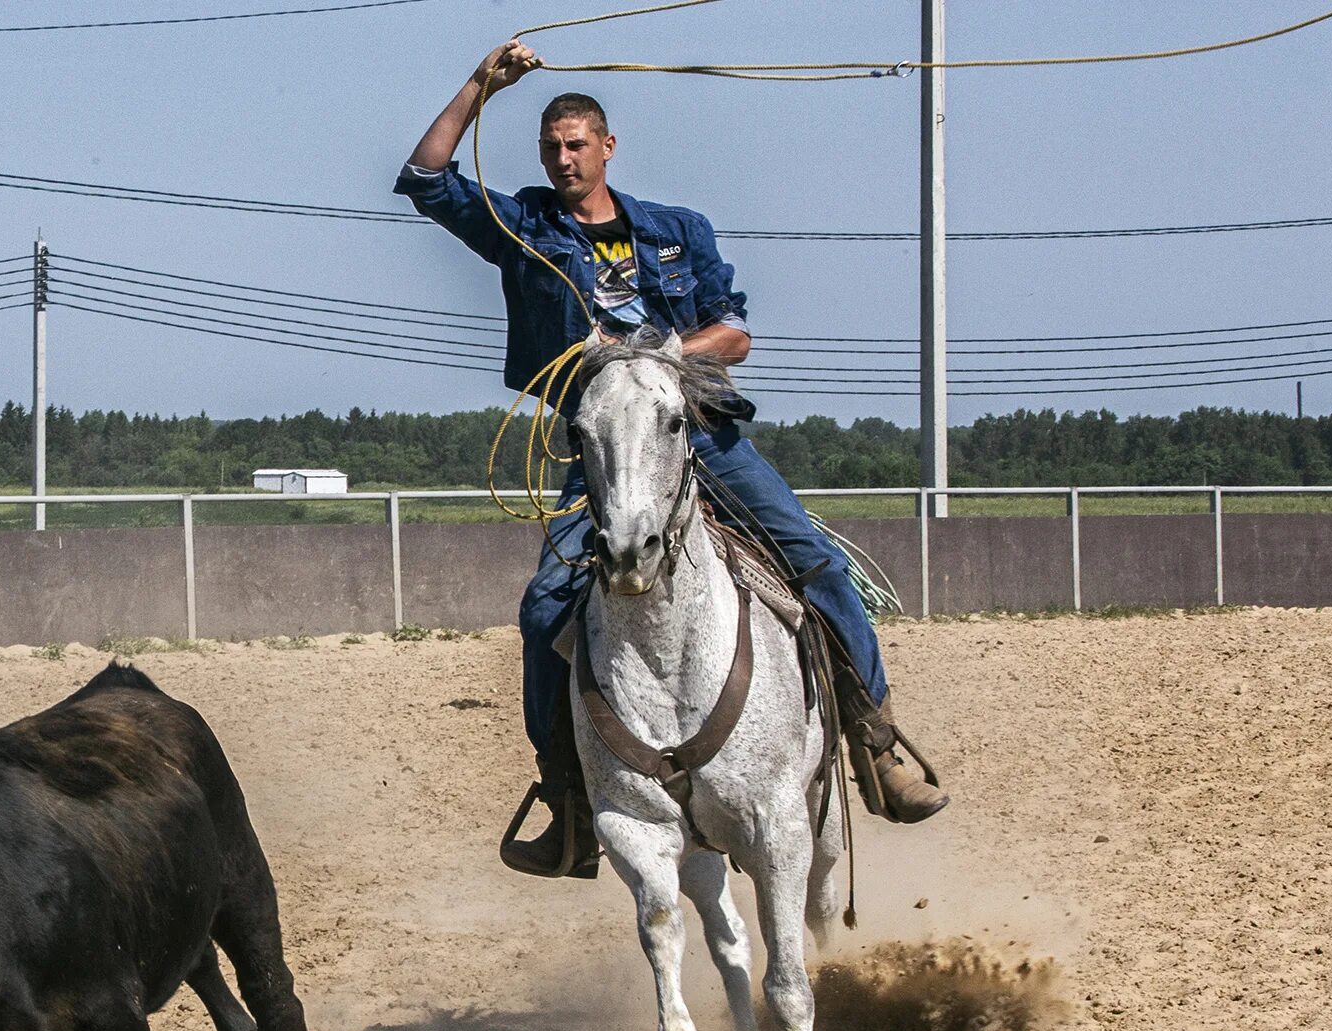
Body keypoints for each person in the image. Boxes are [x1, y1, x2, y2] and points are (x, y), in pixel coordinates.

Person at [395, 40, 949, 878]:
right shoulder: (528, 229)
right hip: (604, 454)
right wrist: (481, 82)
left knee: (815, 563)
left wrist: (654, 362)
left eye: (577, 144)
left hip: (702, 435)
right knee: (547, 608)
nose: (564, 158)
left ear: (607, 148)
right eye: (551, 147)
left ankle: (875, 741)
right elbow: (429, 179)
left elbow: (734, 334)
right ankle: (571, 796)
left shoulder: (676, 231)